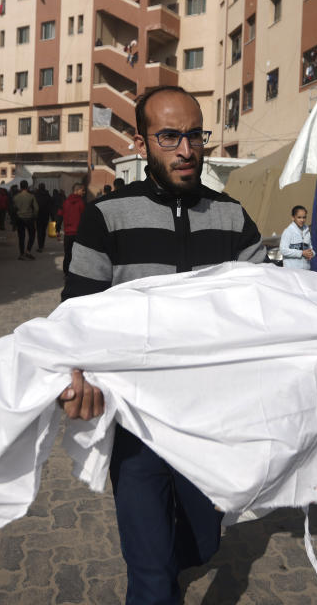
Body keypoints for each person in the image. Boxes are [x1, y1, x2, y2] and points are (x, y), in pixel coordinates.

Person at [61, 85, 265, 601]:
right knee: (150, 570)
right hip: (136, 420)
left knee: (200, 544)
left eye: (195, 135)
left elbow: (266, 312)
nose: (186, 148)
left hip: (209, 422)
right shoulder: (106, 217)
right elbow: (76, 310)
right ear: (141, 142)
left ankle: (183, 553)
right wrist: (76, 372)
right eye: (170, 136)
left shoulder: (233, 218)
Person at [57, 183, 86, 275]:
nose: (84, 192)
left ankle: (66, 273)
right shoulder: (81, 203)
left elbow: (59, 216)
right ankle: (76, 273)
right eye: (82, 190)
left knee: (68, 254)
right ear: (77, 191)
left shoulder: (65, 202)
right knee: (78, 255)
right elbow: (85, 218)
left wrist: (57, 229)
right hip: (78, 234)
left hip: (68, 234)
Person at [12, 180, 38, 260]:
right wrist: (34, 216)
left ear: (20, 186)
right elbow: (36, 208)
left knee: (21, 237)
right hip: (29, 218)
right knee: (32, 235)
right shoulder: (31, 196)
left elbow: (13, 209)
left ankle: (21, 254)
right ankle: (28, 251)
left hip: (20, 219)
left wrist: (14, 219)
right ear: (27, 186)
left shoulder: (16, 197)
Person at [33, 184, 52, 253]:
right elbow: (50, 206)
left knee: (39, 231)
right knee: (43, 231)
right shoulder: (48, 195)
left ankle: (40, 246)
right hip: (45, 216)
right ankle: (42, 244)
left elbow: (33, 206)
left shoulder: (36, 195)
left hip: (38, 216)